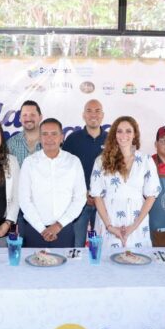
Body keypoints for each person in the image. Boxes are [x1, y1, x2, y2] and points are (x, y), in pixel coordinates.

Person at [90, 116, 160, 249]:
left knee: (138, 259)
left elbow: (151, 196)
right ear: (114, 134)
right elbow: (97, 196)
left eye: (128, 131)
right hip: (108, 222)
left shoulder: (145, 160)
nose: (124, 135)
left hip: (137, 224)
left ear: (134, 135)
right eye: (119, 131)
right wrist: (110, 227)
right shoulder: (101, 161)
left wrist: (133, 226)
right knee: (106, 261)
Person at [19, 118, 86, 247]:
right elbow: (24, 199)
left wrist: (58, 225)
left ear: (61, 137)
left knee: (64, 261)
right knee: (33, 261)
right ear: (39, 138)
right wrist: (41, 229)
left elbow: (79, 198)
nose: (49, 138)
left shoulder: (73, 162)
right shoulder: (29, 163)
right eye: (45, 134)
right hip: (35, 229)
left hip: (64, 229)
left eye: (54, 134)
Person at [63, 99, 108, 247]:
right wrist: (83, 194)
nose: (93, 114)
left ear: (102, 115)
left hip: (104, 202)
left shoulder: (111, 140)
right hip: (78, 203)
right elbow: (65, 172)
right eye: (89, 111)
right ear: (83, 115)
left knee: (101, 245)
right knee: (76, 244)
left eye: (97, 111)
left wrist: (98, 194)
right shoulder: (72, 139)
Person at [8, 100, 43, 166]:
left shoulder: (51, 142)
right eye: (24, 115)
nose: (28, 118)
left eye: (32, 115)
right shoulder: (11, 143)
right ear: (20, 118)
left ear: (40, 117)